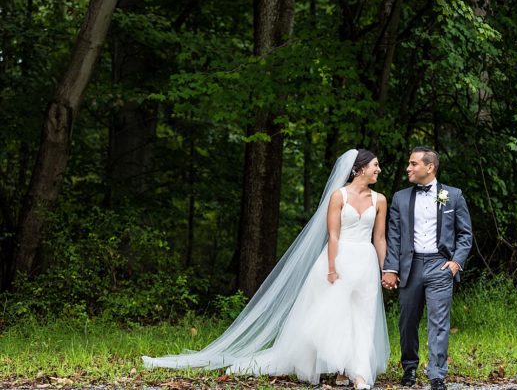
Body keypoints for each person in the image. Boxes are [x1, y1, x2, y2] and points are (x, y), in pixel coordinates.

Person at [144, 149, 389, 387]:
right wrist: (332, 267)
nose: (378, 169)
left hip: (365, 263)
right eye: (374, 165)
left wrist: (384, 269)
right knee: (336, 316)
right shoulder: (339, 196)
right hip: (339, 260)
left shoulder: (379, 200)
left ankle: (359, 372)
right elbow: (333, 235)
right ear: (359, 169)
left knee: (363, 317)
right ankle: (342, 370)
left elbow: (379, 238)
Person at [381, 146, 473, 390]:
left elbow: (465, 234)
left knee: (439, 321)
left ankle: (436, 374)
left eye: (413, 164)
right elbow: (394, 237)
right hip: (409, 266)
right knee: (407, 321)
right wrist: (390, 267)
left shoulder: (453, 195)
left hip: (439, 266)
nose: (408, 168)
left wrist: (455, 263)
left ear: (429, 167)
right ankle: (409, 368)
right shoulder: (400, 198)